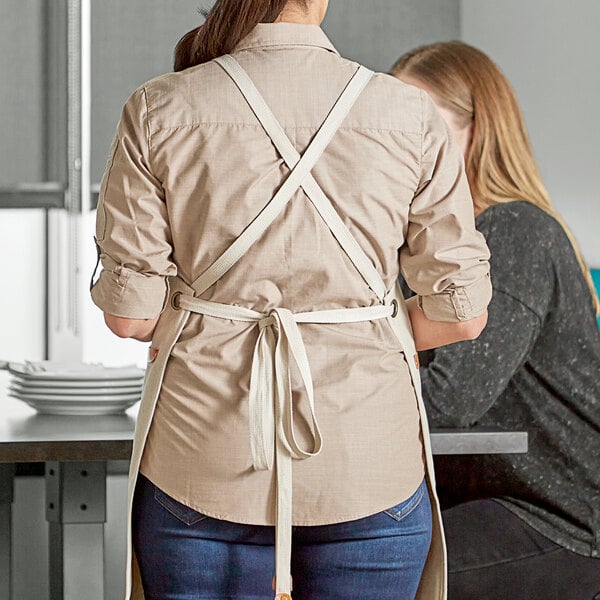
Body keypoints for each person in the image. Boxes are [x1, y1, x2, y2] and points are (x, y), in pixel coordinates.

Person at [90, 2, 492, 598]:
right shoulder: (409, 113)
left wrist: (210, 320)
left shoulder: (159, 106)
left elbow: (131, 316)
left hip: (200, 457)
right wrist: (369, 329)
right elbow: (460, 313)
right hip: (369, 462)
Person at [391, 41, 600, 600]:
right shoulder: (426, 250)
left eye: (423, 129)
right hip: (480, 499)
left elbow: (448, 401)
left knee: (371, 574)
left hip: (559, 518)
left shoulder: (514, 232)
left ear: (478, 131)